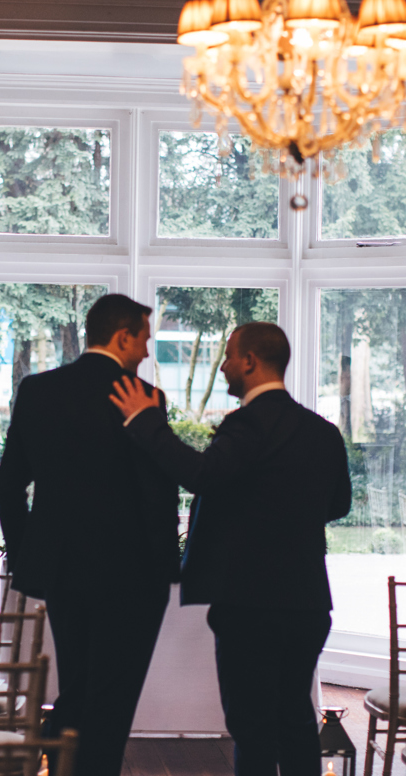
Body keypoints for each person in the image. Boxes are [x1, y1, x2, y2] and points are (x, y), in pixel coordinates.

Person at [110, 321, 352, 776]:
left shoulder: (245, 426)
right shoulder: (323, 432)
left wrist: (145, 423)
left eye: (227, 356)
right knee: (297, 719)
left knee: (253, 727)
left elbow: (200, 474)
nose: (222, 366)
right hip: (306, 601)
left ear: (250, 362)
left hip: (249, 604)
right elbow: (338, 504)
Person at [0, 293, 179, 776]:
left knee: (77, 687)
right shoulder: (143, 398)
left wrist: (27, 559)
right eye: (143, 338)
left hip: (62, 573)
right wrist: (166, 575)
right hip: (131, 580)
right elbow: (159, 499)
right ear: (122, 337)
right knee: (112, 701)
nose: (146, 350)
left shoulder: (37, 390)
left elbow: (10, 484)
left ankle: (60, 767)